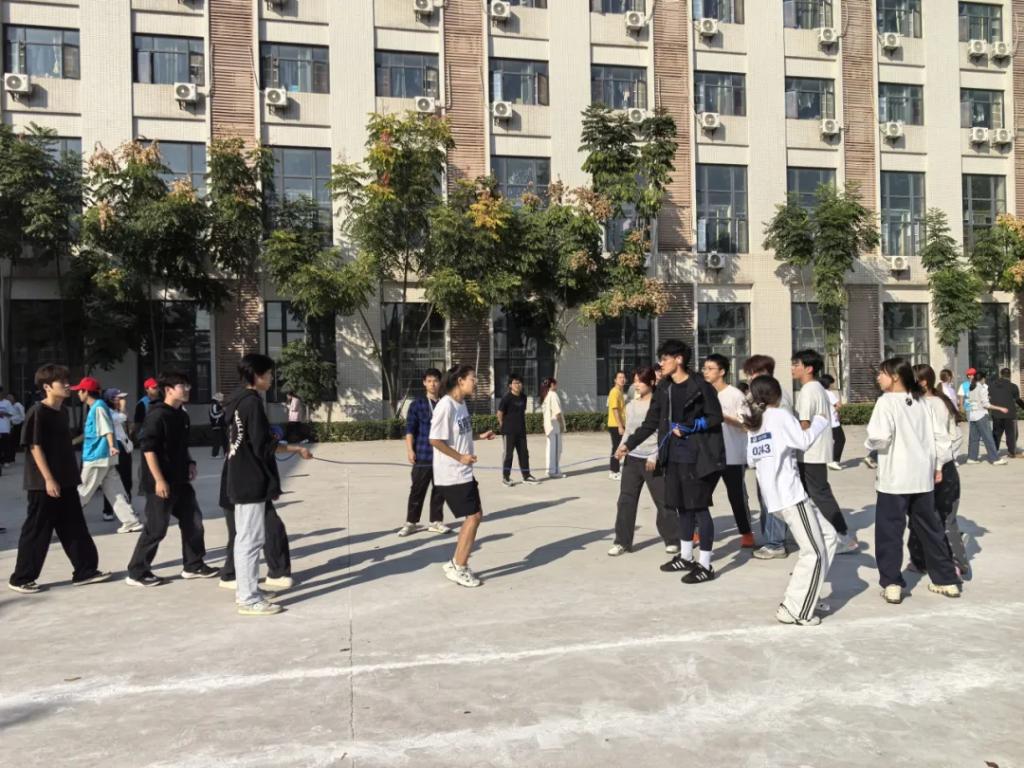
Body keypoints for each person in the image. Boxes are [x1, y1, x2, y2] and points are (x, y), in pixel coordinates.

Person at [616, 339, 725, 584]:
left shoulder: (700, 386)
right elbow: (651, 422)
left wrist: (691, 426)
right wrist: (628, 445)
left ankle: (705, 565)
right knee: (681, 507)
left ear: (679, 359)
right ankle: (686, 557)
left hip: (697, 457)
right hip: (673, 456)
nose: (661, 363)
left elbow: (715, 417)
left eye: (665, 359)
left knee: (699, 508)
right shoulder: (664, 388)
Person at [865, 358, 962, 604]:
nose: (878, 378)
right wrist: (938, 465)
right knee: (931, 530)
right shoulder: (923, 402)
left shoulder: (886, 402)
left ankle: (892, 584)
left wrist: (869, 444)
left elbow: (880, 438)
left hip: (894, 479)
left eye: (882, 373)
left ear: (895, 376)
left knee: (890, 533)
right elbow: (941, 438)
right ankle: (946, 580)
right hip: (922, 478)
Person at [223, 354, 313, 616]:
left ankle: (247, 590)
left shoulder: (237, 400)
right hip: (250, 479)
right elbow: (263, 446)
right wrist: (296, 448)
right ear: (257, 375)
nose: (272, 379)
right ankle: (248, 598)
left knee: (245, 538)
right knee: (250, 540)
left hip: (241, 476)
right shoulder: (251, 403)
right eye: (269, 374)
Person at [8, 364, 110, 593]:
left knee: (74, 526)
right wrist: (48, 479)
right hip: (43, 484)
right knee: (37, 531)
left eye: (67, 380)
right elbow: (34, 447)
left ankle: (85, 571)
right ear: (46, 387)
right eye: (61, 381)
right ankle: (21, 578)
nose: (67, 385)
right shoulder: (38, 411)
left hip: (67, 480)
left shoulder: (61, 412)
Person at [745, 376, 838, 625]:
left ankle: (809, 593)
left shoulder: (755, 422)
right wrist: (820, 421)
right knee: (814, 553)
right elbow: (803, 441)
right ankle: (796, 611)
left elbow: (752, 460)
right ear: (776, 395)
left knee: (829, 536)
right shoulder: (780, 415)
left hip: (775, 498)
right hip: (791, 497)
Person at [125, 370, 218, 587]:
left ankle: (193, 565)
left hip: (180, 480)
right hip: (160, 482)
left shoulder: (182, 415)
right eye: (182, 386)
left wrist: (190, 462)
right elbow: (148, 449)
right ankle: (137, 572)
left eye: (187, 385)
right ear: (168, 390)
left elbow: (182, 446)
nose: (187, 389)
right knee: (157, 528)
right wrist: (159, 480)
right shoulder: (157, 415)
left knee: (193, 521)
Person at [429, 364, 496, 588]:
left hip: (463, 472)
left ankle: (455, 563)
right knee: (474, 516)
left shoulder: (461, 404)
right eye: (472, 378)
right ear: (460, 381)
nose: (475, 382)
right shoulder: (445, 406)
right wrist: (460, 458)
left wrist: (479, 436)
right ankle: (460, 566)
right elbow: (435, 439)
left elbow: (460, 435)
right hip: (452, 473)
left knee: (474, 515)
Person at [609, 367, 682, 557]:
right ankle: (622, 541)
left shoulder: (659, 404)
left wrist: (654, 455)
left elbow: (662, 432)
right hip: (632, 459)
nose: (636, 384)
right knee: (625, 500)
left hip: (652, 460)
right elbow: (629, 431)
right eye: (635, 380)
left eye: (640, 381)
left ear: (651, 382)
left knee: (663, 500)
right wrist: (621, 448)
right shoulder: (631, 405)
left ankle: (672, 539)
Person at [791, 350, 857, 554]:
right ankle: (825, 534)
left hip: (810, 452)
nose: (792, 368)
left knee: (819, 494)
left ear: (809, 368)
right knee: (815, 493)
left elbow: (804, 423)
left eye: (796, 364)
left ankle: (844, 537)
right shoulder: (817, 388)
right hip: (814, 450)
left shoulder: (808, 390)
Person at [911, 365, 970, 578]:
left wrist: (938, 464)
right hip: (942, 466)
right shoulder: (938, 402)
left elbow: (942, 439)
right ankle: (922, 560)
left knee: (936, 517)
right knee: (932, 517)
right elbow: (955, 437)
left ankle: (952, 563)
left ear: (923, 382)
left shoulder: (930, 404)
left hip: (936, 469)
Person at [72, 377, 143, 534]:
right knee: (115, 491)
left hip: (97, 456)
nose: (78, 394)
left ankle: (63, 523)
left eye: (79, 391)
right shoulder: (99, 406)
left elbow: (106, 429)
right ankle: (131, 521)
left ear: (86, 392)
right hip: (105, 457)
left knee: (83, 491)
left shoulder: (97, 408)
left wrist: (111, 446)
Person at [701, 354, 755, 549]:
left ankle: (746, 533)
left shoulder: (735, 395)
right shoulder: (702, 393)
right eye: (704, 368)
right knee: (700, 494)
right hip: (709, 455)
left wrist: (722, 417)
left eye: (710, 368)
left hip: (732, 455)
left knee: (736, 496)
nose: (705, 372)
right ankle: (698, 531)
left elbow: (747, 425)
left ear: (722, 371)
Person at [742, 355, 791, 559]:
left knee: (773, 500)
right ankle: (772, 539)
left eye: (752, 373)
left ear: (764, 373)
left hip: (775, 458)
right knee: (765, 500)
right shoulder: (757, 396)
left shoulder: (779, 397)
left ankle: (776, 543)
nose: (750, 377)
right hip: (763, 457)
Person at [398, 368, 450, 537]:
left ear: (440, 383)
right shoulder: (417, 404)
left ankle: (436, 521)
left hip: (442, 455)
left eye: (435, 380)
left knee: (440, 489)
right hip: (423, 454)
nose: (432, 384)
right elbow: (410, 429)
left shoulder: (446, 404)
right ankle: (411, 522)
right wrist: (410, 450)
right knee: (417, 489)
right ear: (424, 383)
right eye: (429, 381)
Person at [100, 389, 134, 524]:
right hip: (115, 447)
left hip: (124, 447)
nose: (121, 401)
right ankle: (108, 510)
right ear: (110, 399)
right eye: (118, 398)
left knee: (127, 480)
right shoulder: (107, 412)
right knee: (112, 481)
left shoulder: (116, 411)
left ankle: (128, 508)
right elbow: (121, 418)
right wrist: (123, 408)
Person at [497, 373, 537, 486]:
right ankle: (506, 477)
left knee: (524, 453)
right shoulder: (506, 398)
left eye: (519, 383)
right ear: (510, 385)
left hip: (521, 431)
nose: (518, 385)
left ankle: (526, 476)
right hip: (509, 431)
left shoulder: (524, 397)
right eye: (515, 383)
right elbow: (499, 413)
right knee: (508, 454)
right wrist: (503, 425)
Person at [965, 370, 1008, 465]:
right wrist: (1000, 408)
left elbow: (973, 401)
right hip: (981, 415)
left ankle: (972, 458)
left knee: (973, 438)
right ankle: (995, 459)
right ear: (982, 379)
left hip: (972, 415)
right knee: (988, 438)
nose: (985, 380)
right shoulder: (982, 388)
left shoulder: (971, 387)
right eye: (985, 378)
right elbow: (986, 405)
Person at [988, 368, 1024, 458]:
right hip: (1010, 414)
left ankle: (994, 452)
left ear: (1000, 374)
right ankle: (1011, 452)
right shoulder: (1013, 386)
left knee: (996, 434)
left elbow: (988, 398)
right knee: (1011, 434)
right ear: (1010, 375)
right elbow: (1017, 400)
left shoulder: (992, 386)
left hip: (996, 413)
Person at [540, 377, 565, 479]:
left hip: (548, 426)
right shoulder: (553, 395)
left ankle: (549, 470)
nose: (557, 385)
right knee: (556, 449)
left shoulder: (545, 396)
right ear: (552, 385)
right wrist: (561, 425)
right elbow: (557, 412)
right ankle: (554, 471)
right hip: (554, 425)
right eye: (555, 384)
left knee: (550, 449)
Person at [820, 374, 845, 471]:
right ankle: (834, 461)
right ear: (828, 383)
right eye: (831, 383)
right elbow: (838, 405)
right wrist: (836, 410)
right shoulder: (829, 393)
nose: (832, 385)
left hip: (825, 421)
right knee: (840, 440)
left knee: (831, 441)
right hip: (833, 422)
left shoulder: (820, 392)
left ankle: (830, 460)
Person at [606, 370, 627, 480]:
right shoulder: (614, 392)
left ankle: (614, 469)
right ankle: (614, 471)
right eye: (620, 377)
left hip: (619, 424)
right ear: (615, 380)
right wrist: (620, 426)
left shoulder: (620, 392)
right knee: (617, 447)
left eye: (623, 377)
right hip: (615, 425)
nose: (622, 379)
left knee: (618, 447)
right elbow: (615, 410)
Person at [7, 392, 26, 461]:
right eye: (8, 397)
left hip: (17, 426)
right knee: (9, 442)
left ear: (14, 398)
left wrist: (14, 419)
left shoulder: (18, 405)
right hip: (10, 425)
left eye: (10, 397)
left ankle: (12, 457)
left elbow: (23, 416)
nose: (9, 398)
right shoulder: (8, 406)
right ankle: (10, 457)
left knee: (13, 442)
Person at [209, 392, 228, 458]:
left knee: (224, 440)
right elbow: (213, 415)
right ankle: (214, 454)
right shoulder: (214, 405)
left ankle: (226, 453)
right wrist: (222, 411)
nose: (222, 398)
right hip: (216, 425)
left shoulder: (218, 405)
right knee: (217, 440)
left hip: (221, 425)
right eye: (221, 397)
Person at [0, 389, 13, 473]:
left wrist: (3, 413)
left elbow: (11, 413)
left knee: (5, 445)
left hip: (5, 428)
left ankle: (6, 460)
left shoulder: (7, 403)